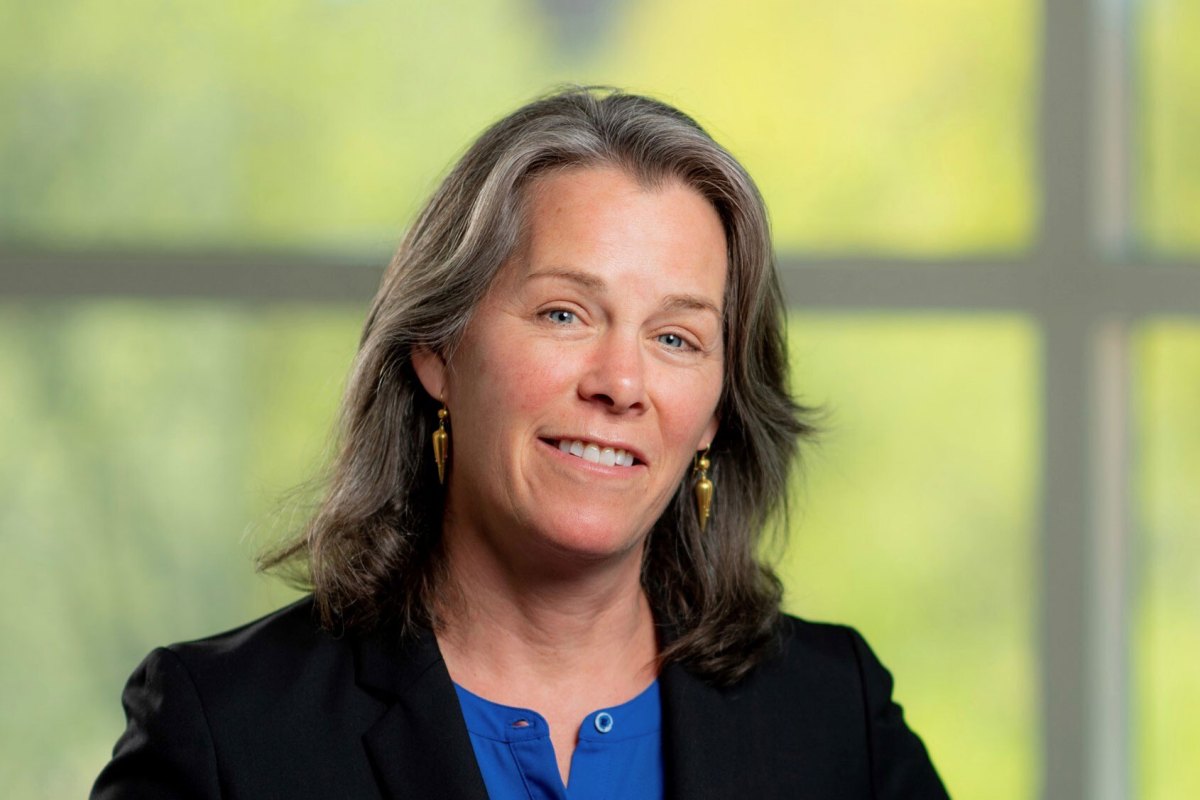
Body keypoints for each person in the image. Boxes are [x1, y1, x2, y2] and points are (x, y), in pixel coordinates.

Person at [91, 87, 948, 799]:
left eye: (676, 338)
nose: (621, 383)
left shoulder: (836, 718)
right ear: (438, 348)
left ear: (716, 412)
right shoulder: (228, 733)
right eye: (564, 314)